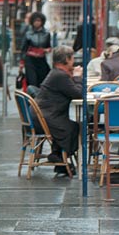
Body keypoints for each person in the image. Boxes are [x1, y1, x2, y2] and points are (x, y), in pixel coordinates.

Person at [32, 45, 82, 174]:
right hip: (46, 117)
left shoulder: (57, 73)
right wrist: (77, 77)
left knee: (71, 126)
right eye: (72, 59)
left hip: (43, 115)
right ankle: (61, 159)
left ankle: (59, 156)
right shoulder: (60, 76)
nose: (74, 62)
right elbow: (78, 94)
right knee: (74, 127)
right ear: (66, 60)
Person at [20, 12, 51, 88]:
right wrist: (21, 63)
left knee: (42, 81)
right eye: (35, 21)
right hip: (30, 60)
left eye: (39, 21)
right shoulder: (28, 34)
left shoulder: (46, 34)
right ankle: (32, 98)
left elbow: (49, 47)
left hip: (41, 60)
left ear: (42, 22)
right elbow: (23, 49)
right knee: (32, 81)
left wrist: (46, 50)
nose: (37, 23)